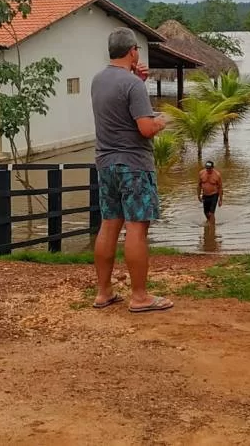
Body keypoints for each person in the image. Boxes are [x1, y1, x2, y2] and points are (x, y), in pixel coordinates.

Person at [89, 27, 174, 314]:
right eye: (138, 49)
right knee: (137, 229)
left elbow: (117, 108)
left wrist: (136, 80)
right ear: (132, 51)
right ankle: (139, 297)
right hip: (134, 166)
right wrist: (162, 120)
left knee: (109, 224)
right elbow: (145, 128)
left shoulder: (98, 81)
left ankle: (103, 292)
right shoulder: (133, 85)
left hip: (105, 163)